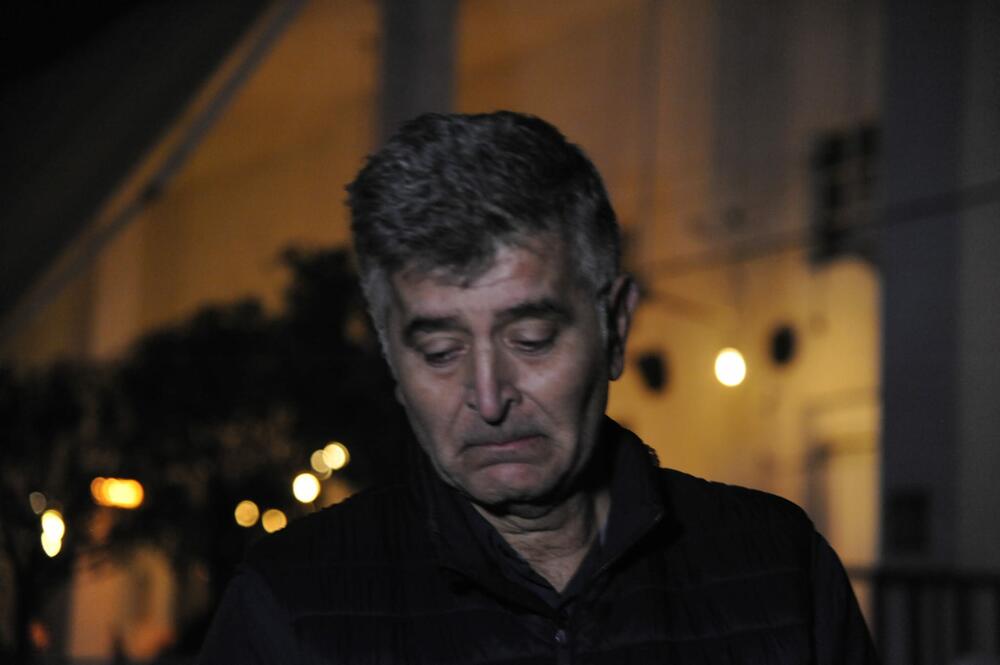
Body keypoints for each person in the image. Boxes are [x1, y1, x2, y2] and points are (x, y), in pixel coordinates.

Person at [198, 111, 877, 663]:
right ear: (391, 361)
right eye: (440, 352)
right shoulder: (290, 601)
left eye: (532, 339)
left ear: (615, 327)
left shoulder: (778, 566)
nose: (490, 398)